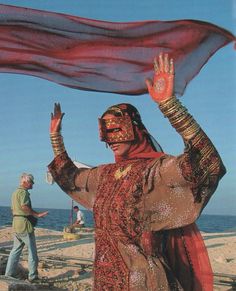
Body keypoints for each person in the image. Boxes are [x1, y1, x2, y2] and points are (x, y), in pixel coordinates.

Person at [48, 53, 226, 290]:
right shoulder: (103, 175)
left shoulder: (156, 172)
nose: (110, 141)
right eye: (105, 135)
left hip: (144, 281)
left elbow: (206, 162)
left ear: (135, 129)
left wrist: (169, 106)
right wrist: (56, 139)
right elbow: (69, 177)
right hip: (106, 278)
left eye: (116, 130)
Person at [5, 173, 48, 283]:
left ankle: (8, 274)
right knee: (32, 252)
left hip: (16, 224)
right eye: (31, 182)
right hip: (24, 224)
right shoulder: (23, 193)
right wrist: (37, 215)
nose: (33, 184)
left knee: (15, 250)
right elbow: (24, 207)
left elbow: (12, 210)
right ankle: (33, 277)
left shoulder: (15, 193)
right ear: (25, 182)